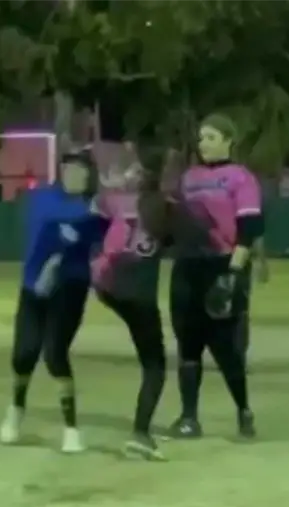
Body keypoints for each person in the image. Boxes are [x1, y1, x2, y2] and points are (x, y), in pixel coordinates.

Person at [0, 149, 108, 453]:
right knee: (23, 354)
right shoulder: (40, 199)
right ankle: (16, 408)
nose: (73, 175)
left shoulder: (95, 208)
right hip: (34, 286)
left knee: (55, 353)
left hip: (70, 287)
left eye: (80, 170)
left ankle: (71, 428)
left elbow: (102, 241)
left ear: (89, 175)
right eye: (68, 169)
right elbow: (40, 233)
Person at [166, 114, 263, 439]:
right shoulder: (188, 178)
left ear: (228, 141)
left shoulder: (241, 177)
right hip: (187, 267)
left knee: (225, 347)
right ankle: (189, 418)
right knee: (188, 343)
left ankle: (243, 410)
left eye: (210, 137)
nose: (203, 143)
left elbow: (249, 229)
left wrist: (233, 274)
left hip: (222, 266)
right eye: (201, 138)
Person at [90, 146, 183, 460]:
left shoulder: (119, 200)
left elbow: (97, 215)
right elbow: (183, 238)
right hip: (139, 294)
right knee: (154, 366)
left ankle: (142, 434)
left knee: (147, 351)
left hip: (109, 288)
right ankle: (141, 435)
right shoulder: (165, 207)